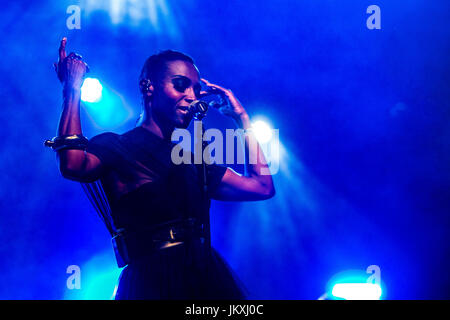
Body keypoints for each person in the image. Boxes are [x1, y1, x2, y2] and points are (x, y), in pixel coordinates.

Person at [51, 37, 275, 299]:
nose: (191, 96)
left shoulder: (192, 161)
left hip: (204, 278)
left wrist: (242, 119)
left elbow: (262, 186)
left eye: (195, 89)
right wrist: (72, 89)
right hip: (150, 283)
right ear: (148, 87)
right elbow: (72, 163)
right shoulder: (117, 147)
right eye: (180, 86)